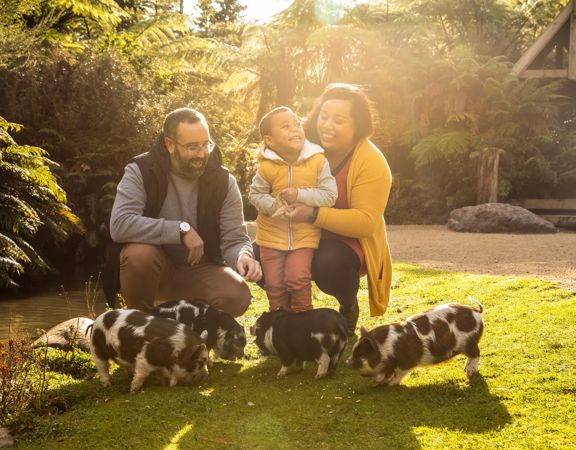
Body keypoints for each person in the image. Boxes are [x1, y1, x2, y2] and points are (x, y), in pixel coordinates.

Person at [105, 107, 261, 317]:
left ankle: (190, 329)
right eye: (192, 147)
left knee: (237, 295)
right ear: (170, 145)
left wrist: (243, 256)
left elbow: (234, 238)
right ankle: (139, 323)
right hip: (154, 269)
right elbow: (120, 224)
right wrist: (180, 229)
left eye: (206, 144)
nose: (202, 153)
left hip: (200, 270)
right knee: (138, 254)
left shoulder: (224, 182)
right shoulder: (141, 171)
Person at [284, 83, 393, 335]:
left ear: (358, 126)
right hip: (303, 233)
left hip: (349, 242)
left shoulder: (371, 161)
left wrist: (312, 213)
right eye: (323, 116)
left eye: (338, 120)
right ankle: (288, 308)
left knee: (328, 261)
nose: (327, 125)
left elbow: (366, 221)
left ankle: (347, 305)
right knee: (261, 252)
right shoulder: (302, 146)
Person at [249, 106, 337, 312]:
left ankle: (303, 321)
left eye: (297, 123)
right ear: (270, 140)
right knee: (275, 286)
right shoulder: (266, 167)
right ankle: (280, 327)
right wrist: (273, 205)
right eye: (286, 126)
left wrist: (299, 194)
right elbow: (255, 195)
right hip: (270, 238)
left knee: (297, 279)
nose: (295, 129)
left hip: (303, 237)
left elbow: (330, 195)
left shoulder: (317, 160)